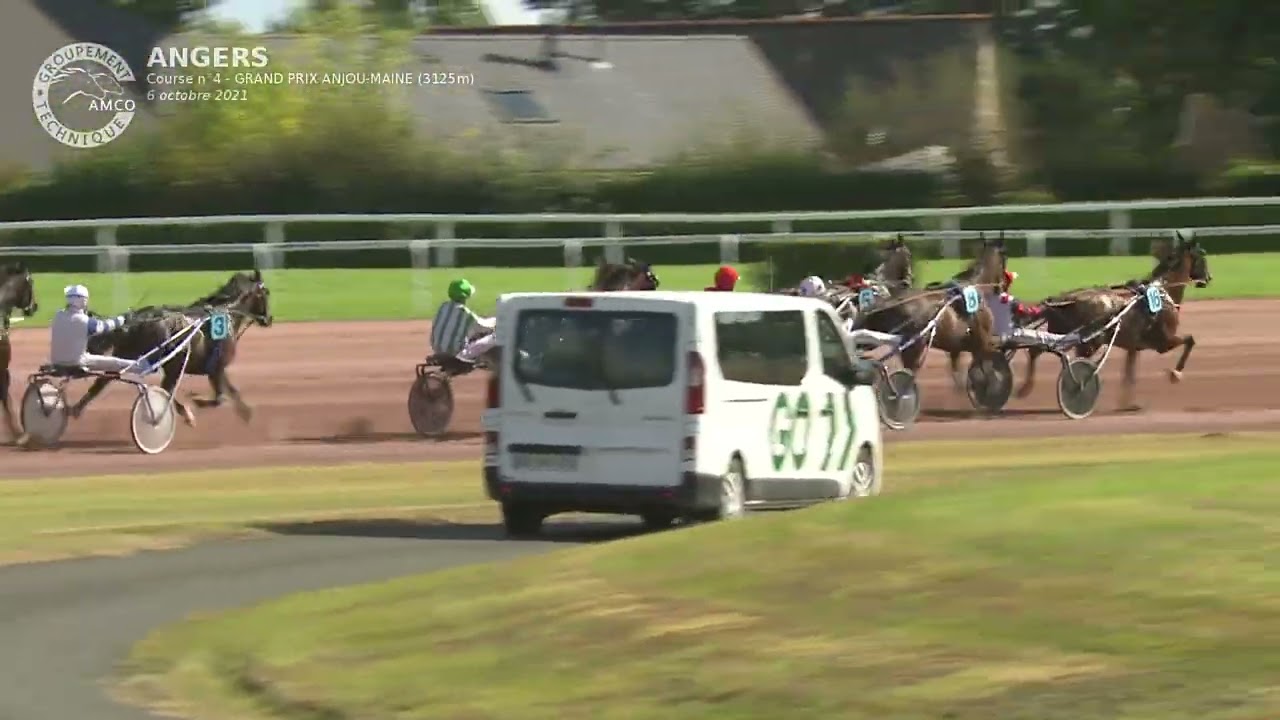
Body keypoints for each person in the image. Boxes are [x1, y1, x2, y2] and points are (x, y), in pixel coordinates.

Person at [50, 284, 149, 375]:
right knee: (115, 362)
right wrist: (123, 319)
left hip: (56, 361)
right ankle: (141, 367)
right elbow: (105, 326)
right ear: (83, 301)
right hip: (78, 362)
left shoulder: (57, 315)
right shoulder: (85, 321)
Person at [989, 269, 1080, 348]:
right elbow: (1027, 313)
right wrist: (1042, 308)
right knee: (1042, 336)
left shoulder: (987, 298)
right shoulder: (1011, 300)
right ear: (1008, 285)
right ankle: (1071, 339)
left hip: (991, 334)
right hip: (1010, 335)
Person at [432, 278, 497, 367]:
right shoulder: (465, 313)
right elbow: (484, 327)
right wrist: (496, 321)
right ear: (466, 296)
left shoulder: (443, 306)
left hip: (437, 349)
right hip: (457, 354)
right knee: (494, 338)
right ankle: (488, 362)